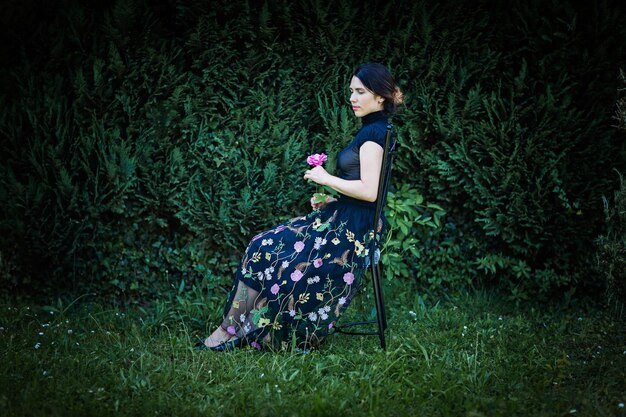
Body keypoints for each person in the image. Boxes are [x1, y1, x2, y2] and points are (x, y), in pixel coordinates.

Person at [196, 63, 403, 351]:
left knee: (263, 247)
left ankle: (231, 331)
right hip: (347, 217)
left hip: (353, 229)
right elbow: (369, 192)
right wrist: (333, 200)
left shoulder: (372, 135)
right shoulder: (375, 130)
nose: (352, 98)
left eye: (360, 92)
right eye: (351, 91)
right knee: (263, 245)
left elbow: (370, 191)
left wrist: (326, 178)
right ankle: (239, 328)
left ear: (380, 97)